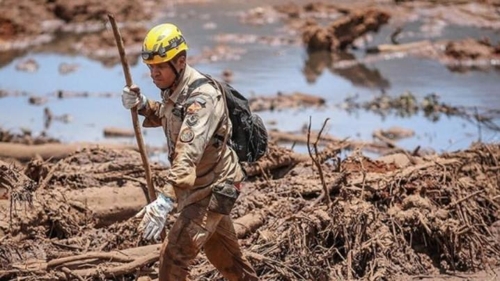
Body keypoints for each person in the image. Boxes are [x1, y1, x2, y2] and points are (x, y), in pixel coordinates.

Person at [121, 23, 259, 281]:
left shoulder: (201, 99)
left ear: (180, 62)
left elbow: (188, 154)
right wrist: (142, 106)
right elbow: (169, 116)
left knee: (173, 257)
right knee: (227, 258)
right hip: (202, 183)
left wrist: (165, 201)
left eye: (159, 67)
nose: (153, 74)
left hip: (214, 188)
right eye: (150, 67)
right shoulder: (177, 89)